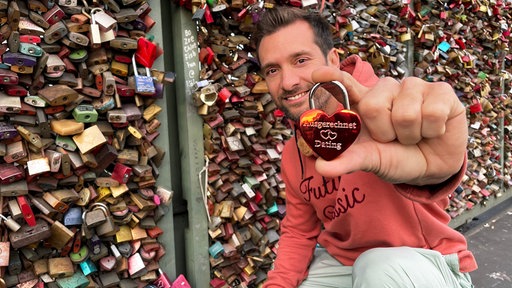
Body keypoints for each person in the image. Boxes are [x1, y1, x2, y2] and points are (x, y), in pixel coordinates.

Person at [252, 6, 478, 288]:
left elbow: (433, 171)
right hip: (340, 264)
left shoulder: (383, 110)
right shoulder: (293, 153)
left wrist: (440, 170)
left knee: (376, 267)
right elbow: (299, 232)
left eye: (300, 60)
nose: (288, 82)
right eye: (273, 70)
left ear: (332, 60)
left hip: (421, 262)